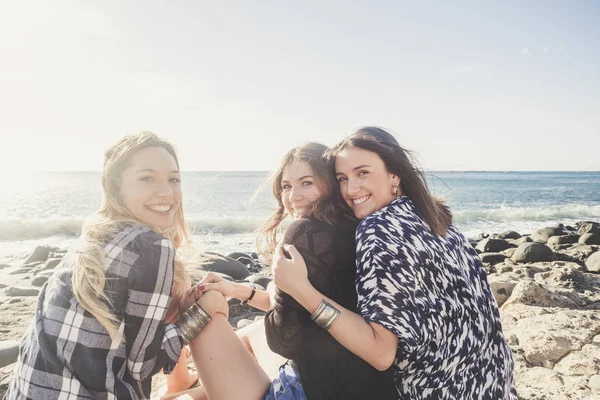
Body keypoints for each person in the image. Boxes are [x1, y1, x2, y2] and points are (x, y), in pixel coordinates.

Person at [272, 127, 517, 399]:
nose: (351, 189)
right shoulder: (437, 221)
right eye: (342, 178)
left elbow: (380, 354)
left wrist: (301, 290)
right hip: (494, 386)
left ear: (394, 174)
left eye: (362, 173)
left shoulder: (378, 229)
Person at [5, 132, 228, 399]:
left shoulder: (95, 236)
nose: (166, 192)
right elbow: (143, 367)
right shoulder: (151, 247)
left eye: (173, 179)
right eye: (147, 178)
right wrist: (203, 310)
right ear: (115, 186)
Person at [170, 142, 396, 400]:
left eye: (307, 183)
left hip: (308, 391)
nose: (294, 196)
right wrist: (235, 289)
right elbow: (311, 308)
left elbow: (283, 339)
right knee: (244, 336)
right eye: (287, 186)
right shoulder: (358, 227)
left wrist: (275, 294)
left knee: (204, 303)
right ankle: (189, 391)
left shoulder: (306, 233)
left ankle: (176, 384)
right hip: (363, 386)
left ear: (330, 183)